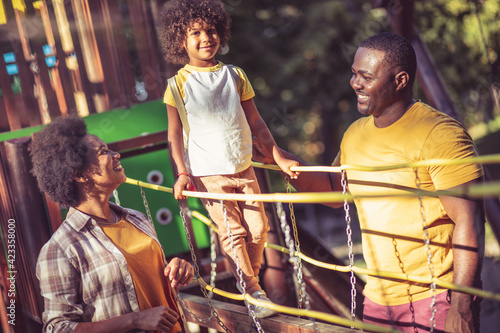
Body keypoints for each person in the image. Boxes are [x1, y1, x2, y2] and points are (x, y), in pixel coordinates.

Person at [273, 32, 484, 333]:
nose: (355, 83)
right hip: (377, 300)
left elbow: (470, 222)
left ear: (400, 81)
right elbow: (334, 193)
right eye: (353, 73)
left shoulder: (440, 134)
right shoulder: (355, 134)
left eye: (366, 76)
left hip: (436, 297)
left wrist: (463, 307)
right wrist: (277, 157)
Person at [159, 0, 299, 319]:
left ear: (220, 33)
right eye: (195, 32)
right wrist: (182, 173)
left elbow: (257, 123)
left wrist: (277, 157)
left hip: (243, 168)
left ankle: (252, 282)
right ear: (180, 39)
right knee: (233, 232)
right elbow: (174, 135)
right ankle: (252, 289)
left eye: (211, 30)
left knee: (259, 228)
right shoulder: (177, 85)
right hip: (209, 175)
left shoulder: (234, 75)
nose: (205, 37)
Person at [30, 115, 194, 333]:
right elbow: (57, 328)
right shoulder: (61, 248)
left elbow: (142, 279)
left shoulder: (136, 218)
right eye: (102, 152)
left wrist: (176, 268)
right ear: (79, 174)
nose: (115, 154)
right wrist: (134, 320)